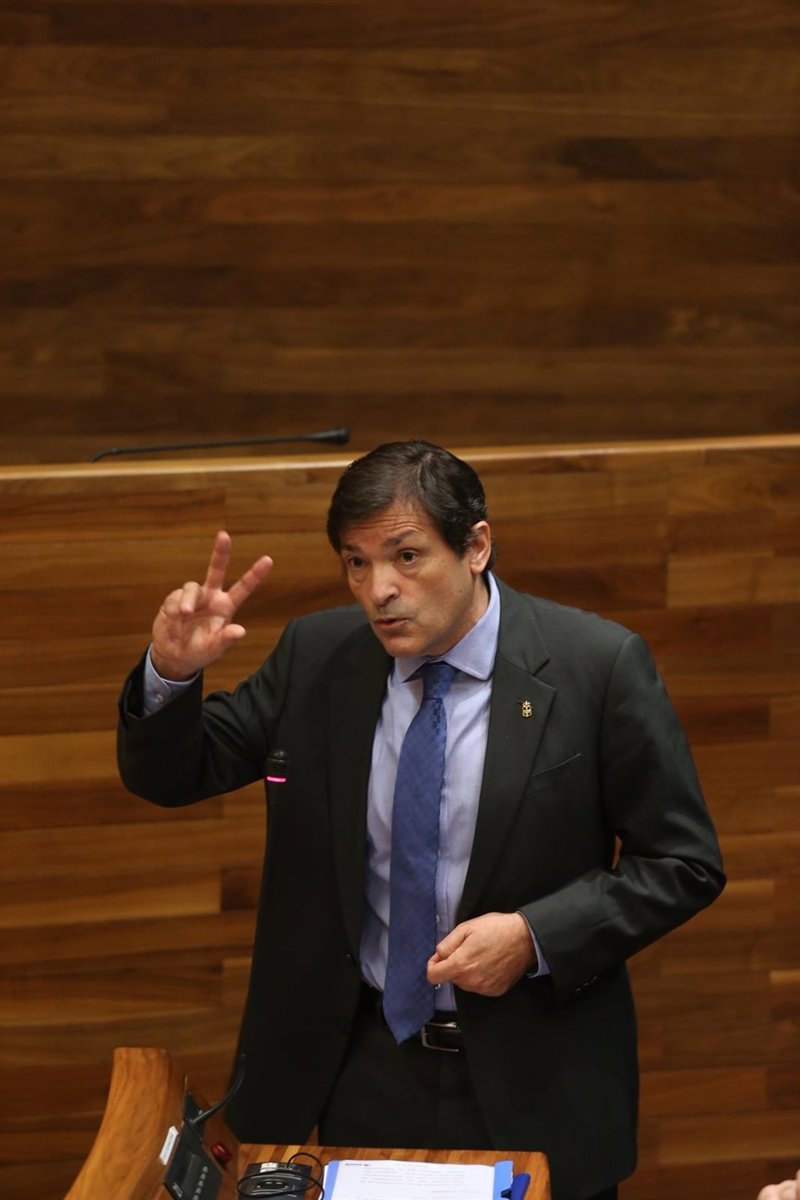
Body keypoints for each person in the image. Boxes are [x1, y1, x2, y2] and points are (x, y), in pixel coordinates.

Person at [117, 440, 725, 1200]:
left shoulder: (595, 668)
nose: (379, 590)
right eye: (357, 562)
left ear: (477, 546)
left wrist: (535, 936)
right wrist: (171, 674)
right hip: (362, 1063)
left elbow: (682, 863)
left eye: (407, 557)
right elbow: (175, 774)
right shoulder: (318, 656)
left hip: (537, 1071)